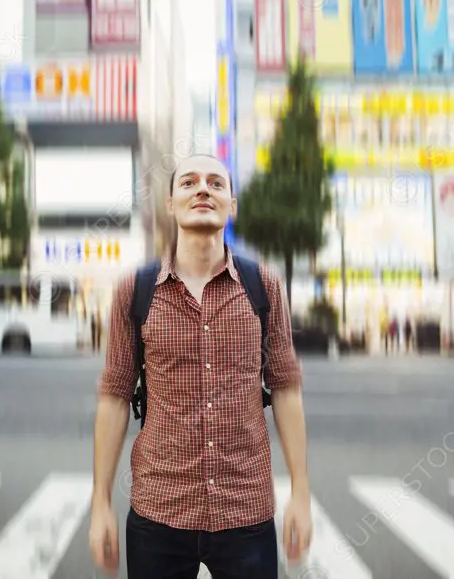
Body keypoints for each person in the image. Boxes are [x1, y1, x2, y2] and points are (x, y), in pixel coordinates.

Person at [88, 154, 312, 578]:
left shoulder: (263, 285)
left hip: (245, 510)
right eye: (189, 182)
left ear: (232, 203)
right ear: (170, 204)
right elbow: (115, 397)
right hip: (160, 511)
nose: (203, 189)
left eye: (215, 182)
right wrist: (101, 502)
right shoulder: (134, 291)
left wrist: (300, 492)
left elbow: (285, 387)